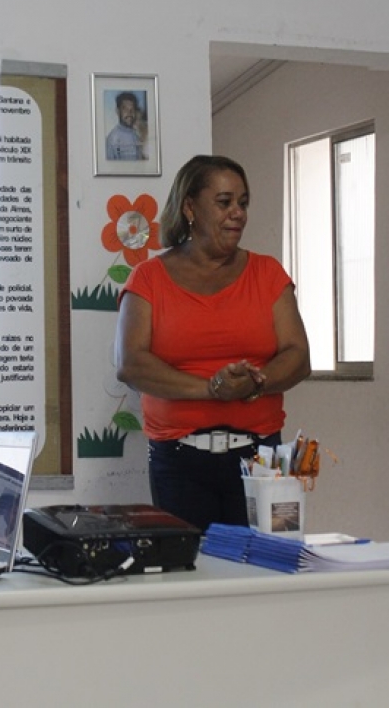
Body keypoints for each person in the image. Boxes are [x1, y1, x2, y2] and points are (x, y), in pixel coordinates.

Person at [115, 155, 311, 532]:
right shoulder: (148, 278)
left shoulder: (268, 273)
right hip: (178, 463)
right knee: (189, 566)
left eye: (243, 202)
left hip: (263, 459)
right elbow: (131, 364)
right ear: (190, 208)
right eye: (224, 202)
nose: (238, 213)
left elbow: (299, 356)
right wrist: (212, 388)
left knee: (267, 561)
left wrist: (254, 383)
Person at [105, 91, 145, 161]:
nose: (129, 113)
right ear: (118, 111)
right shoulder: (113, 139)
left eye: (132, 109)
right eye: (125, 109)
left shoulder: (136, 135)